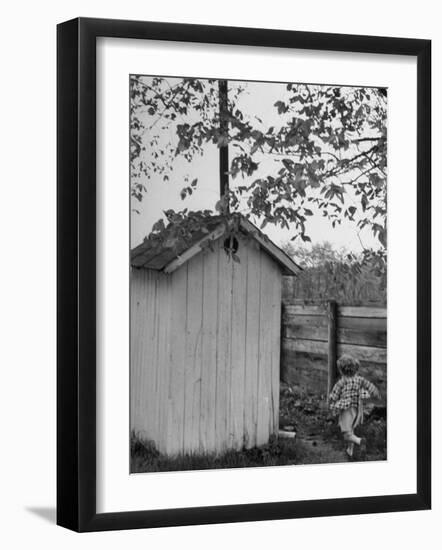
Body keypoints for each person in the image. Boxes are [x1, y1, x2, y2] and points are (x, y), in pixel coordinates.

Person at [329, 354, 381, 460]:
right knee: (351, 430)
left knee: (346, 434)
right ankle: (350, 451)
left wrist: (332, 402)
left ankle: (359, 441)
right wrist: (376, 393)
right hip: (357, 409)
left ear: (341, 370)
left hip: (347, 409)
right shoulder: (359, 379)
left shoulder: (342, 382)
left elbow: (334, 395)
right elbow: (370, 386)